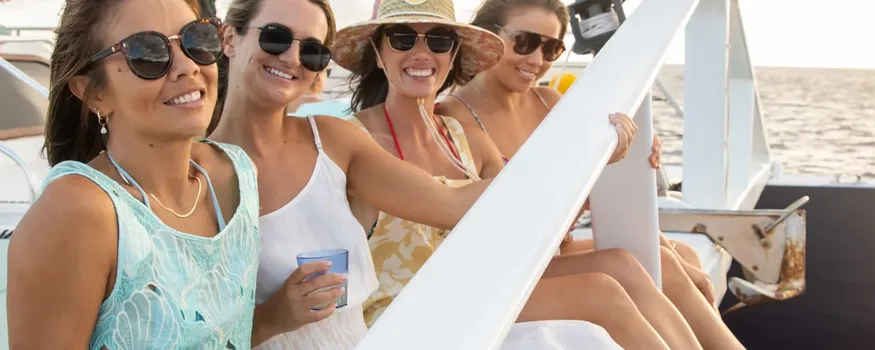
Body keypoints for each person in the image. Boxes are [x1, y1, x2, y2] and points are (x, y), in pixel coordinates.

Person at [207, 0, 625, 348]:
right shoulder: (197, 169)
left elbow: (453, 204)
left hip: (377, 339)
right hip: (394, 327)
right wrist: (273, 317)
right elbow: (183, 334)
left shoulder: (331, 140)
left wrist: (586, 150)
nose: (293, 58)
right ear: (229, 37)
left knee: (584, 338)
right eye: (275, 37)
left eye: (313, 50)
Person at [331, 0, 734, 349]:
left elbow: (519, 210)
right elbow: (489, 200)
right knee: (602, 292)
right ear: (378, 53)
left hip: (480, 277)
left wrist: (609, 157)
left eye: (438, 40)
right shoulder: (353, 137)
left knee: (624, 268)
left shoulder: (456, 133)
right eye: (403, 39)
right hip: (413, 306)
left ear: (452, 54)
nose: (422, 53)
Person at [7, 0, 261, 348]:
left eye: (197, 38)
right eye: (148, 52)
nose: (188, 66)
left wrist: (282, 314)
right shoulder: (77, 214)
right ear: (92, 92)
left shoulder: (236, 174)